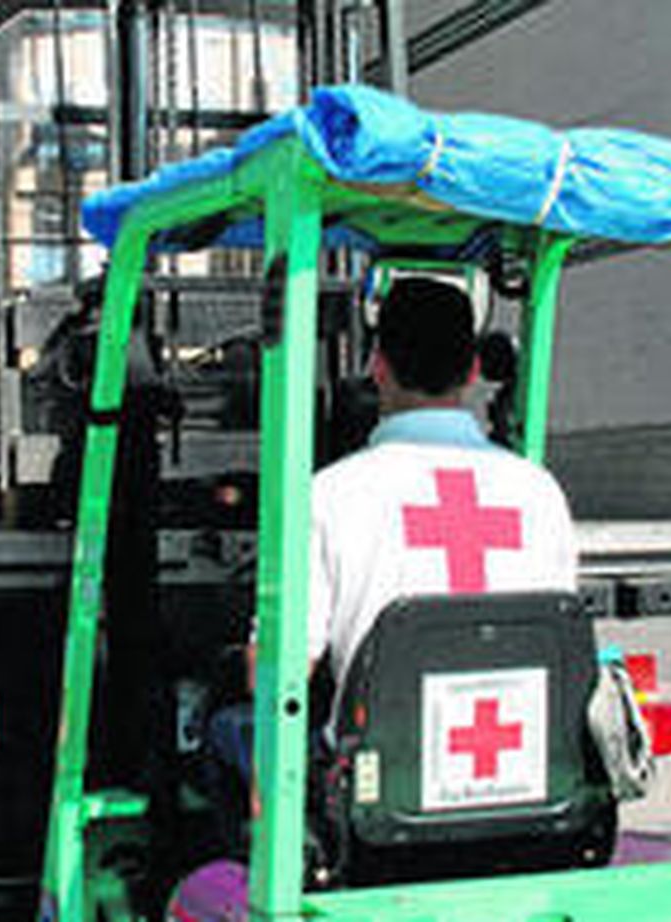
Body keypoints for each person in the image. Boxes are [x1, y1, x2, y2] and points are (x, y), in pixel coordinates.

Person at [204, 276, 579, 796]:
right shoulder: (540, 492)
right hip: (523, 775)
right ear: (472, 371)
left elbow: (276, 670)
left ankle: (269, 868)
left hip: (384, 796)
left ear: (378, 366)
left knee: (228, 729)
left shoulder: (331, 494)